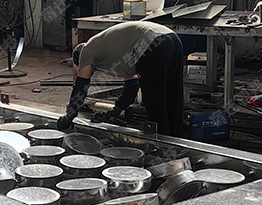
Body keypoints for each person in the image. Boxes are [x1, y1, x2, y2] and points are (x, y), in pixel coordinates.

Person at [57, 20, 185, 137]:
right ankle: (177, 142)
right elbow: (132, 86)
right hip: (172, 39)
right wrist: (117, 109)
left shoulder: (86, 50)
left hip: (152, 44)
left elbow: (81, 87)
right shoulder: (114, 51)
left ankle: (163, 146)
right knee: (173, 95)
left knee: (155, 101)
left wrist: (69, 116)